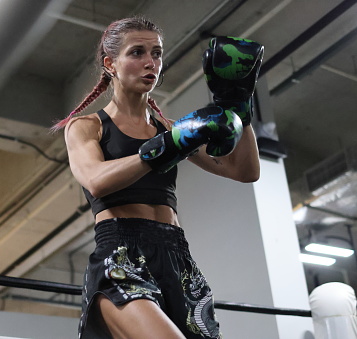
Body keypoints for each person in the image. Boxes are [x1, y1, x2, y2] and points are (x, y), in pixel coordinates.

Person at [52, 16, 262, 339]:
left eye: (157, 53)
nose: (151, 62)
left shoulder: (171, 130)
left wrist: (238, 105)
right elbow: (95, 179)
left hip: (177, 258)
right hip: (121, 254)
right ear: (110, 64)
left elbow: (244, 170)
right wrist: (166, 148)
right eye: (137, 53)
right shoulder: (86, 127)